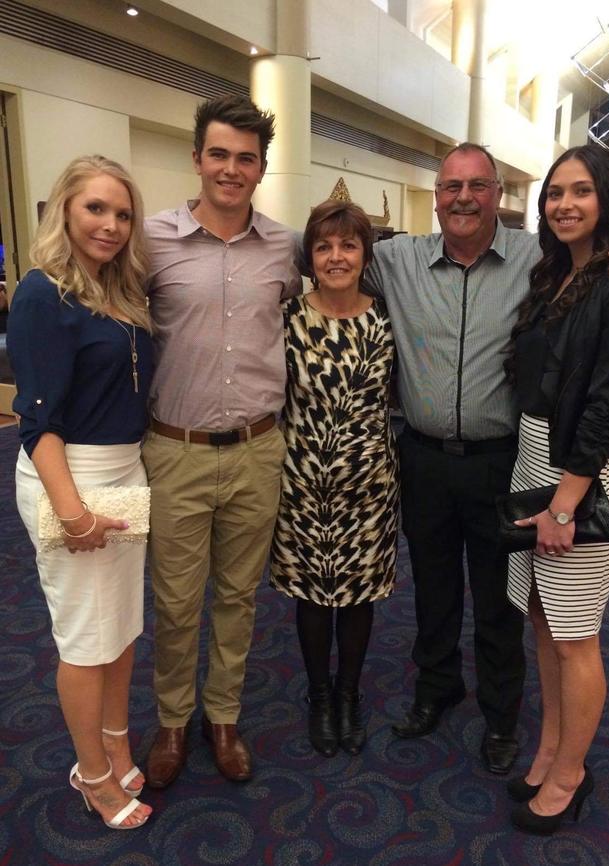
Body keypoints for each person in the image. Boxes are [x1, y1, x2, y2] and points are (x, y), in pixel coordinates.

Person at [364, 142, 609, 775]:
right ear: (435, 195)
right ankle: (435, 688)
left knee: (502, 600)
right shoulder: (395, 258)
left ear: (500, 195)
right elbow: (322, 250)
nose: (462, 198)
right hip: (425, 459)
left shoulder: (540, 259)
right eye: (449, 187)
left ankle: (501, 717)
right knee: (434, 588)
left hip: (508, 460)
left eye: (478, 186)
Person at [143, 94, 302, 788]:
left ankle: (223, 717)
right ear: (197, 157)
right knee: (176, 601)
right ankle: (173, 722)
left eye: (245, 158)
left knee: (238, 596)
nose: (231, 169)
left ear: (261, 167)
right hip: (173, 450)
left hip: (259, 449)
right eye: (219, 154)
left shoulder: (284, 246)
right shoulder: (150, 240)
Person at [503, 145, 609, 834]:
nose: (564, 203)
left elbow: (607, 404)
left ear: (608, 200)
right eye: (555, 192)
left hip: (580, 480)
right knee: (541, 621)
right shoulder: (554, 278)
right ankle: (551, 746)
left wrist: (565, 503)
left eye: (581, 191)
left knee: (575, 639)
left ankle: (571, 774)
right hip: (535, 467)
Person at [8, 155, 154, 829]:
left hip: (125, 470)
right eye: (96, 208)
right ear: (64, 208)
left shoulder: (118, 290)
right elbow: (37, 419)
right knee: (83, 640)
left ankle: (115, 743)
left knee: (120, 629)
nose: (111, 225)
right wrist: (70, 512)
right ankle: (92, 775)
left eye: (123, 213)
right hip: (71, 474)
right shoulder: (43, 293)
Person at [269, 200, 398, 757]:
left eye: (348, 245)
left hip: (370, 482)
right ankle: (319, 697)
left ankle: (349, 695)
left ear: (365, 253)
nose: (336, 256)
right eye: (324, 246)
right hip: (302, 481)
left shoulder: (387, 317)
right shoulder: (287, 317)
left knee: (359, 595)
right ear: (310, 256)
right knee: (313, 596)